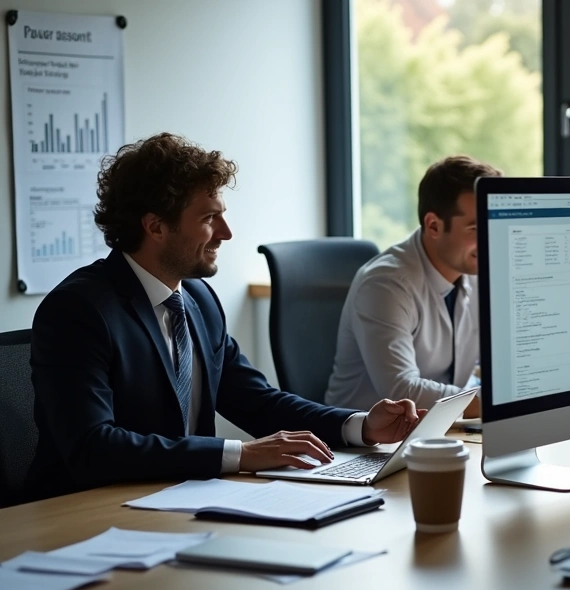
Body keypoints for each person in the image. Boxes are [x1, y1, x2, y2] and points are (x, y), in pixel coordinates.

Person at [26, 133, 424, 501]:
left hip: (180, 502)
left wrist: (360, 425)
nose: (226, 232)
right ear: (156, 227)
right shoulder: (79, 310)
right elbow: (92, 446)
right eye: (208, 219)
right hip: (85, 511)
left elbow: (257, 401)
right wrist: (241, 454)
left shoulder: (198, 299)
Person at [325, 156, 500, 418]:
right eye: (475, 228)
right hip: (369, 437)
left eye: (494, 223)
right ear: (434, 226)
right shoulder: (385, 284)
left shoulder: (475, 268)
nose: (490, 239)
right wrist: (498, 402)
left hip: (444, 426)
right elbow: (402, 391)